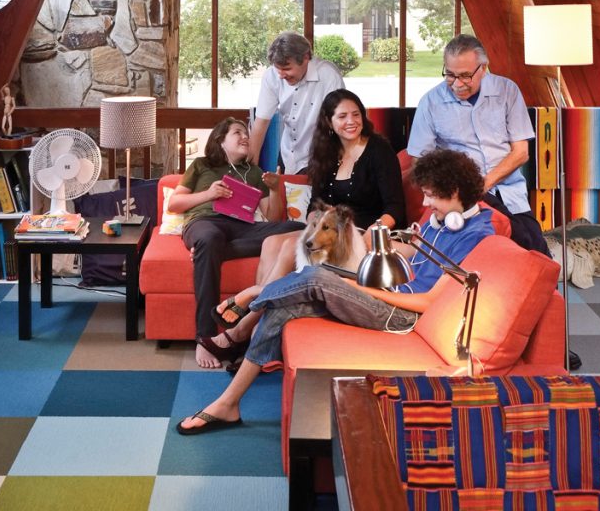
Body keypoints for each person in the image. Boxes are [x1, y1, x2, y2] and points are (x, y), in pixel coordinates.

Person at [176, 149, 494, 434]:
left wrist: (360, 287)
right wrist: (374, 243)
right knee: (284, 307)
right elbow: (416, 254)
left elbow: (426, 301)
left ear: (454, 192)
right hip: (386, 291)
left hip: (402, 315)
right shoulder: (445, 220)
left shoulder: (475, 235)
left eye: (430, 196)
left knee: (316, 275)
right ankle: (228, 404)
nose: (425, 204)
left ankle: (251, 298)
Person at [211, 89, 406, 336]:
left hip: (362, 230)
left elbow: (395, 207)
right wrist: (314, 221)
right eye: (342, 116)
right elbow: (315, 204)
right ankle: (256, 328)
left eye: (356, 114)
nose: (351, 121)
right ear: (329, 121)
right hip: (326, 228)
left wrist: (374, 234)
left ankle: (244, 328)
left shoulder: (379, 150)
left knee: (286, 249)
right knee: (272, 242)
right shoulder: (326, 151)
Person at [167, 117, 302, 368]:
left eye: (246, 133)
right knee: (210, 238)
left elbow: (272, 217)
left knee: (298, 229)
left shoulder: (254, 172)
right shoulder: (201, 165)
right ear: (220, 140)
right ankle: (204, 336)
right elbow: (174, 204)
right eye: (237, 132)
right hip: (204, 223)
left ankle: (209, 252)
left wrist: (274, 188)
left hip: (242, 227)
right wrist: (210, 194)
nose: (245, 137)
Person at [406, 33, 549, 256]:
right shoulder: (430, 102)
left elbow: (521, 153)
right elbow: (420, 162)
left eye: (465, 76)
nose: (457, 84)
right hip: (461, 200)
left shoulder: (507, 91)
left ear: (483, 67)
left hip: (510, 195)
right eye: (450, 75)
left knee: (537, 255)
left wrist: (484, 184)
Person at [248, 32, 344, 173]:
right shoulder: (272, 76)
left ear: (306, 58)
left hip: (320, 155)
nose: (281, 75)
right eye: (278, 69)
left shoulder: (328, 76)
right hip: (288, 153)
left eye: (287, 69)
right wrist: (250, 172)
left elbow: (340, 123)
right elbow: (261, 123)